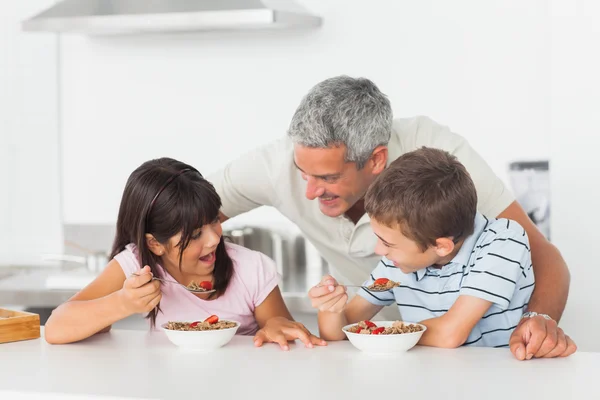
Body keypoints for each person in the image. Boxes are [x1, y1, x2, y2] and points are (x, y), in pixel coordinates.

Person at [210, 75, 574, 359]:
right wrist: (332, 309)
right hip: (409, 359)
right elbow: (340, 328)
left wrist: (538, 319)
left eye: (329, 177)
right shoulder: (395, 263)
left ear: (378, 161)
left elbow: (541, 258)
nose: (309, 191)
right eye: (302, 172)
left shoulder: (446, 173)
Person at [311, 147, 573, 358]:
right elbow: (345, 330)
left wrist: (382, 334)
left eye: (388, 243)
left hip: (498, 382)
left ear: (442, 246)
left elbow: (451, 333)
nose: (379, 250)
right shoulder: (396, 265)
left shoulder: (501, 242)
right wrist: (331, 310)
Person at [44, 158, 325, 351]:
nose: (215, 238)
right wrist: (123, 303)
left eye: (214, 220)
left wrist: (276, 327)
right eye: (194, 235)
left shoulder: (251, 268)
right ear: (154, 244)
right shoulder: (137, 265)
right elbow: (57, 328)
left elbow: (279, 324)